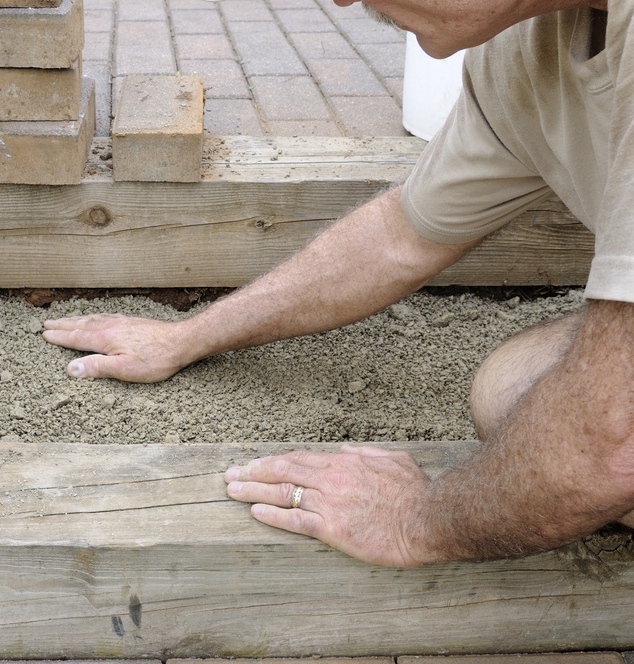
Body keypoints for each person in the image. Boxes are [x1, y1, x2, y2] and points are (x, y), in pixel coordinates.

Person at [43, 0, 633, 567]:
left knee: (581, 443)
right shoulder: (529, 51)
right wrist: (188, 337)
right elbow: (402, 236)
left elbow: (610, 444)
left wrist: (416, 519)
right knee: (513, 387)